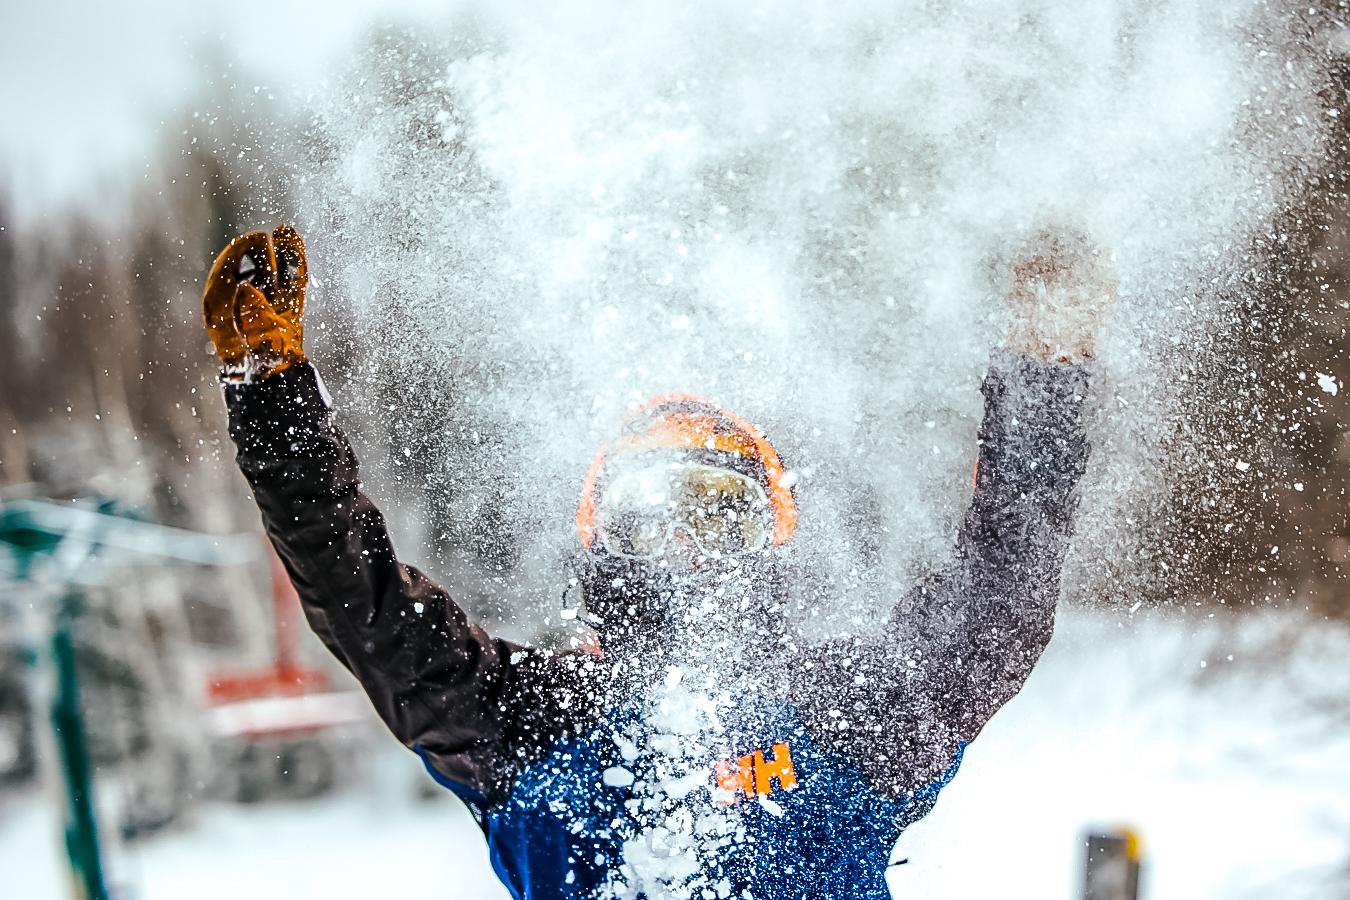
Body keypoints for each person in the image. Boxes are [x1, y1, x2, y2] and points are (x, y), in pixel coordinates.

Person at [202, 223, 1111, 899]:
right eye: (651, 518)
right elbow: (365, 607)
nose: (681, 548)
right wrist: (272, 403)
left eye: (716, 517)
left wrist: (1045, 377)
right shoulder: (524, 718)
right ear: (599, 542)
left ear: (771, 540)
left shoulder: (848, 710)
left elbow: (1000, 595)